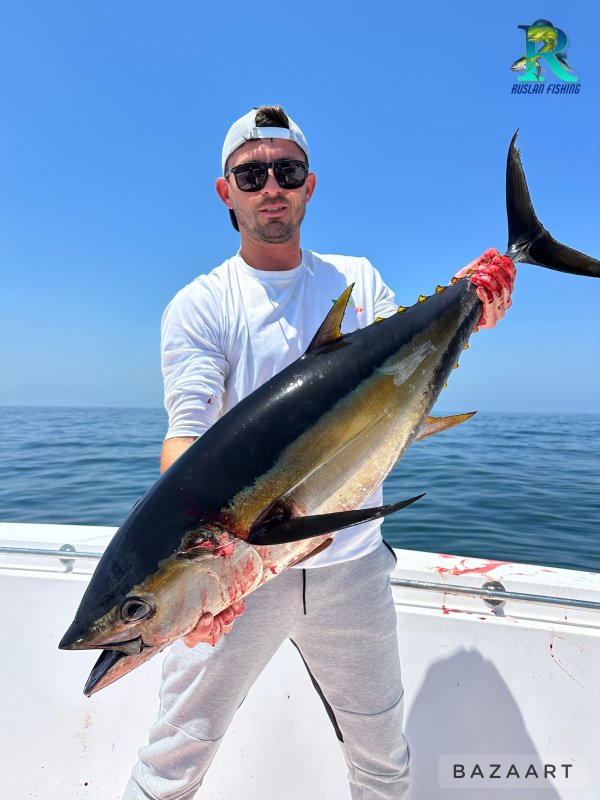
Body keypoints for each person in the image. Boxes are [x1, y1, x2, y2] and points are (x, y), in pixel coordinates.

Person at [122, 105, 516, 800]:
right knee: (172, 763)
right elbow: (187, 438)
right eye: (252, 175)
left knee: (383, 761)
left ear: (309, 184)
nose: (271, 186)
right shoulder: (201, 305)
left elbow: (399, 385)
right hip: (242, 578)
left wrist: (470, 310)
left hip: (351, 572)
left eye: (287, 170)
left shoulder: (357, 280)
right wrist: (197, 588)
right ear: (226, 192)